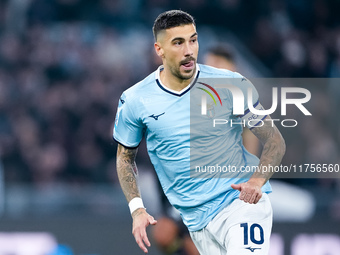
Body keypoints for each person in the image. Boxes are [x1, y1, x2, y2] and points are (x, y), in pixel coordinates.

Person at [114, 10, 285, 255]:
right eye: (178, 42)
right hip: (197, 222)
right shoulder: (135, 100)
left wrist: (256, 181)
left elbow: (275, 141)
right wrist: (137, 209)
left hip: (241, 205)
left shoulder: (231, 84)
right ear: (159, 50)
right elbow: (124, 157)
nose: (188, 50)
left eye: (193, 40)